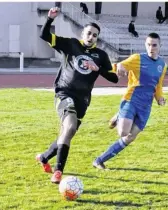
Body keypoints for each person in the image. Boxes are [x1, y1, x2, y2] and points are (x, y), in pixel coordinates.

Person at [35, 7, 119, 184]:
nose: (91, 37)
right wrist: (50, 19)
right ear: (83, 33)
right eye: (89, 33)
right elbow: (44, 35)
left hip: (83, 100)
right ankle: (58, 172)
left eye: (95, 35)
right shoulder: (71, 44)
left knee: (67, 133)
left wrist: (100, 69)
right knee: (70, 127)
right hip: (64, 93)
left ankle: (44, 157)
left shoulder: (101, 56)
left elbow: (114, 78)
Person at [92, 32, 168, 170]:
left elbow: (158, 85)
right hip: (131, 100)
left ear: (160, 46)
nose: (151, 48)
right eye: (149, 44)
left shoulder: (162, 65)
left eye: (154, 45)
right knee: (122, 132)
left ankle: (99, 160)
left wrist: (160, 98)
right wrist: (119, 66)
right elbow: (118, 66)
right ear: (145, 45)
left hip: (146, 106)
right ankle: (120, 114)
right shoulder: (137, 58)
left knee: (130, 137)